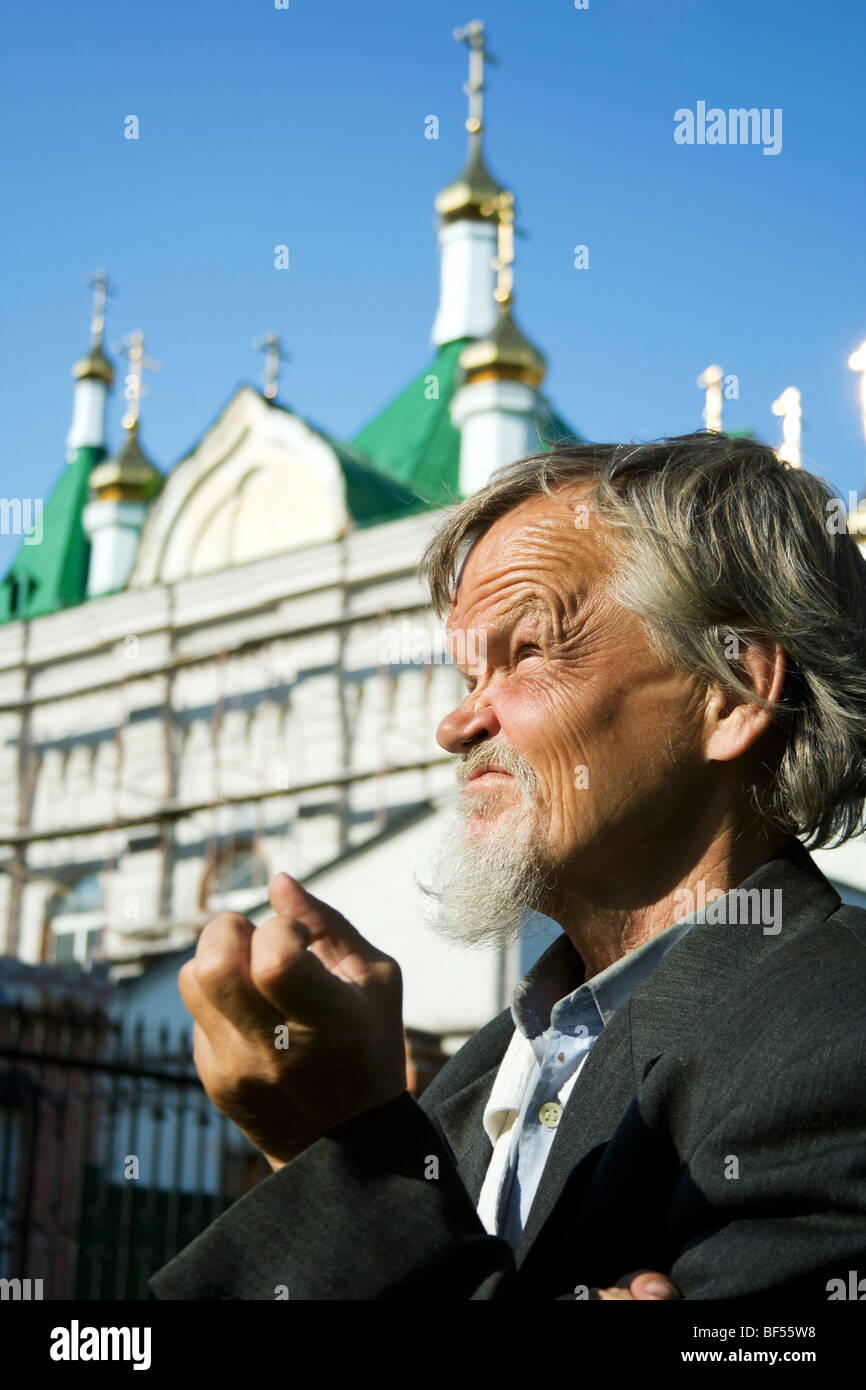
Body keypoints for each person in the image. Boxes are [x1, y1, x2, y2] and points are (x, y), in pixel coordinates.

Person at [148, 432, 866, 1301]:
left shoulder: (837, 1037)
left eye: (526, 653)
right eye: (465, 677)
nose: (456, 727)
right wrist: (327, 1153)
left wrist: (351, 1151)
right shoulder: (487, 1069)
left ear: (732, 689)